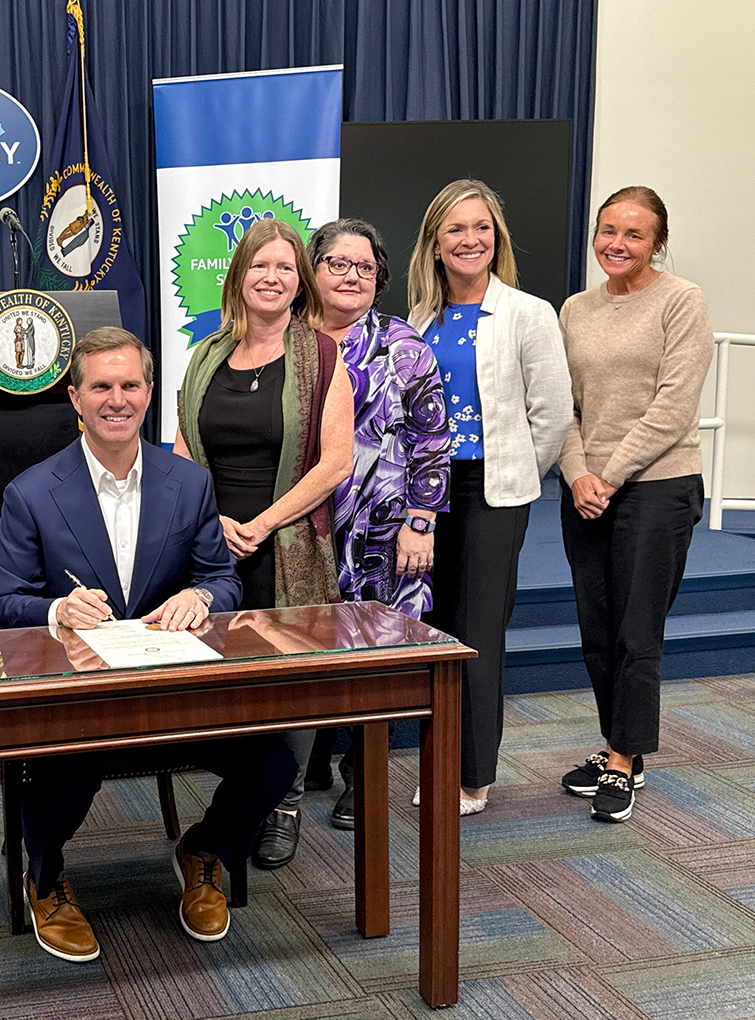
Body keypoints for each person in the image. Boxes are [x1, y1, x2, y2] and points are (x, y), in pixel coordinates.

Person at [0, 327, 294, 962]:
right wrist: (57, 608)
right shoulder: (31, 492)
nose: (116, 399)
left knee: (275, 762)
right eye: (101, 386)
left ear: (149, 394)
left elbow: (222, 579)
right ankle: (44, 879)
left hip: (177, 691)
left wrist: (203, 597)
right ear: (75, 397)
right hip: (84, 698)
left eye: (130, 385)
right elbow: (4, 601)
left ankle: (205, 850)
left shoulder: (189, 483)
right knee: (63, 768)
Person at [173, 219, 354, 869]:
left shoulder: (322, 354)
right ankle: (243, 796)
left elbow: (336, 462)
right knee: (229, 680)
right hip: (213, 541)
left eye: (284, 267)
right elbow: (184, 450)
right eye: (260, 266)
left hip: (290, 540)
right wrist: (212, 520)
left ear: (299, 280)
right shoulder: (207, 353)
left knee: (293, 681)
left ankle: (283, 805)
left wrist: (264, 522)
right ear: (239, 276)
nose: (272, 278)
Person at [407, 179, 572, 815]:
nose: (470, 239)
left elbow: (553, 413)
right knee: (432, 630)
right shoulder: (419, 319)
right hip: (423, 494)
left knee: (476, 631)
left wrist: (515, 475)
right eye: (455, 229)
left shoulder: (529, 313)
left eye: (481, 227)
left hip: (490, 491)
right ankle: (439, 756)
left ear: (495, 238)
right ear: (435, 244)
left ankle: (471, 774)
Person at [557, 187, 712, 823]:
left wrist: (610, 476)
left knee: (635, 630)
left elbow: (673, 407)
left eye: (635, 235)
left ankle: (625, 760)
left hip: (658, 485)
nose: (617, 245)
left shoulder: (682, 300)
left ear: (657, 243)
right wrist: (576, 475)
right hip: (586, 488)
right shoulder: (574, 308)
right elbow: (560, 404)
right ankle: (617, 744)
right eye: (608, 231)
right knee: (597, 629)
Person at [302, 218, 451, 837]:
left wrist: (421, 520)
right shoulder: (283, 339)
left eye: (364, 267)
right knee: (300, 644)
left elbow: (433, 439)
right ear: (313, 271)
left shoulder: (404, 345)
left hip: (383, 529)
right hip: (303, 525)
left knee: (374, 653)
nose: (351, 276)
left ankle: (364, 774)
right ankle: (301, 766)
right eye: (337, 263)